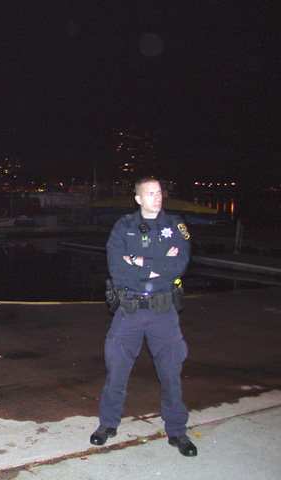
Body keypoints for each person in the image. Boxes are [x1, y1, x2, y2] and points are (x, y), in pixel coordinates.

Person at [90, 177, 197, 457]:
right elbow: (116, 267)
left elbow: (179, 265)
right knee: (116, 370)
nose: (157, 197)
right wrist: (155, 266)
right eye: (150, 193)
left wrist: (137, 261)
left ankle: (177, 430)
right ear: (138, 198)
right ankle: (108, 424)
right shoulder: (123, 227)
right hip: (129, 310)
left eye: (159, 192)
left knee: (171, 372)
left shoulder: (175, 226)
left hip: (163, 312)